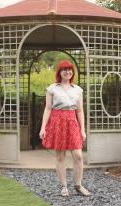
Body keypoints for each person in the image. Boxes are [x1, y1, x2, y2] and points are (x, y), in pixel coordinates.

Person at [39, 60, 90, 197]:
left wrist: (82, 129)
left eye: (70, 69)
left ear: (72, 72)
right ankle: (64, 187)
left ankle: (78, 185)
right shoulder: (52, 88)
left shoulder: (78, 90)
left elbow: (80, 111)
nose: (67, 72)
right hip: (57, 122)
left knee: (78, 156)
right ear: (59, 72)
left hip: (72, 122)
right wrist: (43, 127)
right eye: (64, 69)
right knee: (60, 156)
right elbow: (48, 108)